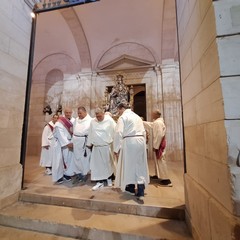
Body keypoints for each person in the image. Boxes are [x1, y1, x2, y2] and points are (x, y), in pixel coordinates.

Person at [114, 102, 149, 203]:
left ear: (121, 108)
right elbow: (144, 131)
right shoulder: (137, 116)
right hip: (140, 141)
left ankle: (130, 188)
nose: (119, 113)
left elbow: (118, 132)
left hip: (130, 142)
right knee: (139, 165)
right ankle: (141, 191)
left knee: (129, 166)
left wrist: (116, 148)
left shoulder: (123, 117)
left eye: (119, 111)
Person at [87, 107, 116, 190]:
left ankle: (108, 178)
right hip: (96, 147)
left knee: (107, 164)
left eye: (100, 116)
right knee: (97, 165)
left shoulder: (110, 121)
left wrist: (116, 145)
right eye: (97, 116)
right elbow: (90, 132)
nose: (98, 118)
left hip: (106, 146)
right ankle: (99, 181)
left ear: (103, 114)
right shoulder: (93, 121)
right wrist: (89, 143)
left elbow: (115, 131)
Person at [143, 110, 172, 187]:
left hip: (159, 145)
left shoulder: (158, 123)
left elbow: (159, 135)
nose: (151, 115)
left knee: (161, 160)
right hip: (158, 144)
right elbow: (151, 125)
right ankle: (158, 175)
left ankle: (166, 180)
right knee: (158, 161)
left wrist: (155, 146)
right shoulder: (157, 122)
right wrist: (142, 121)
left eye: (152, 114)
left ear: (156, 115)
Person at [51, 107, 76, 184]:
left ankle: (66, 174)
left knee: (68, 159)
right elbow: (59, 133)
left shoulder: (74, 120)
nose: (68, 114)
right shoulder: (60, 122)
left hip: (69, 142)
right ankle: (58, 177)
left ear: (72, 113)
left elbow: (75, 132)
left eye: (70, 112)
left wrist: (72, 142)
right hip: (60, 143)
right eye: (66, 112)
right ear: (64, 113)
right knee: (59, 161)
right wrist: (67, 143)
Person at [72, 106, 92, 184]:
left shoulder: (90, 120)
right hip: (76, 141)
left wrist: (89, 143)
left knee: (84, 159)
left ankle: (84, 174)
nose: (79, 115)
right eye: (78, 113)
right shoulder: (76, 120)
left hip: (84, 142)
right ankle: (78, 173)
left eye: (80, 113)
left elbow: (91, 133)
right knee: (76, 158)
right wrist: (72, 141)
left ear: (85, 112)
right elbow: (74, 131)